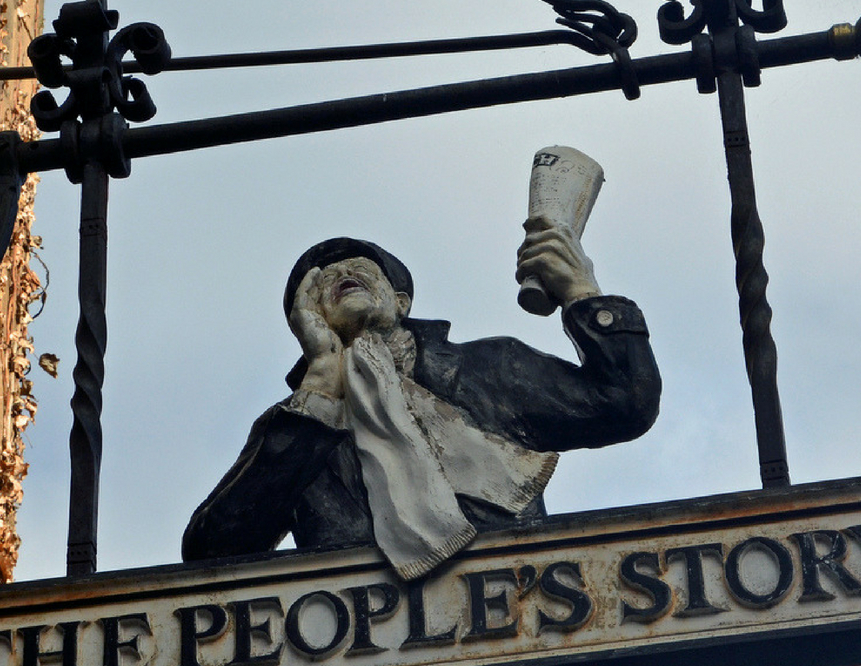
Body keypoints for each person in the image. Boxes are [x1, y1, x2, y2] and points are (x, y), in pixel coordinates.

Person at [182, 224, 661, 579]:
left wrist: (580, 290)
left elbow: (622, 404)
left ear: (402, 301)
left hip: (517, 598)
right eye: (321, 282)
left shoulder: (490, 368)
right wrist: (324, 377)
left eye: (359, 268)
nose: (340, 274)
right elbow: (214, 551)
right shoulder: (300, 428)